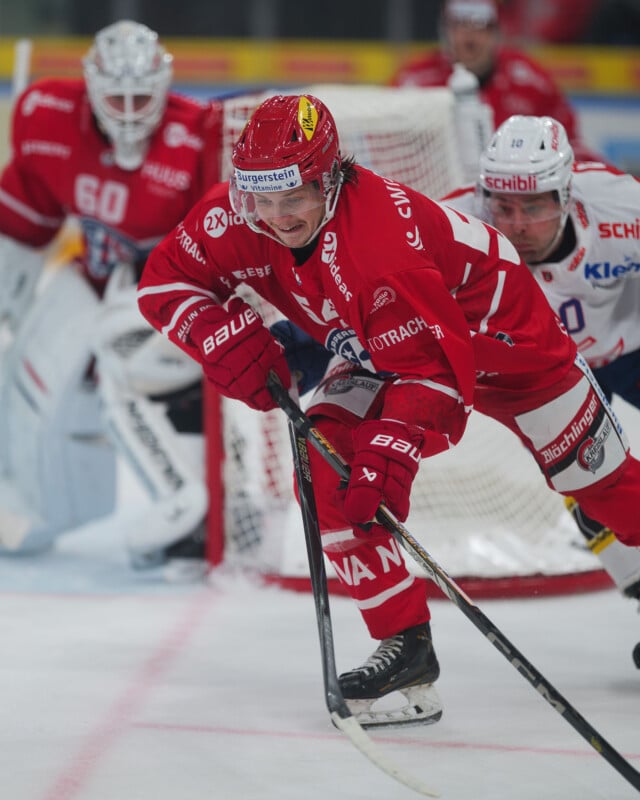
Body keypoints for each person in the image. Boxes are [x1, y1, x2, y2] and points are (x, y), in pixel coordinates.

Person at [137, 93, 640, 726]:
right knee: (326, 467)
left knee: (606, 489)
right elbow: (164, 279)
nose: (277, 217)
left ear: (331, 178)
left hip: (510, 345)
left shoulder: (379, 251)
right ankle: (405, 648)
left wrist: (392, 449)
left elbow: (434, 375)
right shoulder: (242, 217)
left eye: (293, 197)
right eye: (261, 198)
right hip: (388, 341)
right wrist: (214, 332)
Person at [0, 20, 224, 576]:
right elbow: (24, 218)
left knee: (126, 366)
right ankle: (31, 501)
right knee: (26, 369)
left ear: (165, 85)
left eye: (141, 95)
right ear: (92, 88)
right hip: (95, 279)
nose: (128, 111)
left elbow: (225, 247)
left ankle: (192, 513)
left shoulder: (197, 137)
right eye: (116, 97)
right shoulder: (46, 116)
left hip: (175, 292)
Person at [441, 113, 640, 604]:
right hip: (551, 375)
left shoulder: (622, 208)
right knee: (586, 481)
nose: (516, 225)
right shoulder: (454, 226)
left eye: (533, 207)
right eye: (503, 207)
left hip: (629, 348)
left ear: (566, 196)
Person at [390, 0, 602, 163]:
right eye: (460, 25)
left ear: (496, 32)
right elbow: (385, 147)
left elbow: (571, 145)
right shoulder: (414, 82)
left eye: (481, 25)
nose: (470, 38)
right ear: (444, 30)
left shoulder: (531, 81)